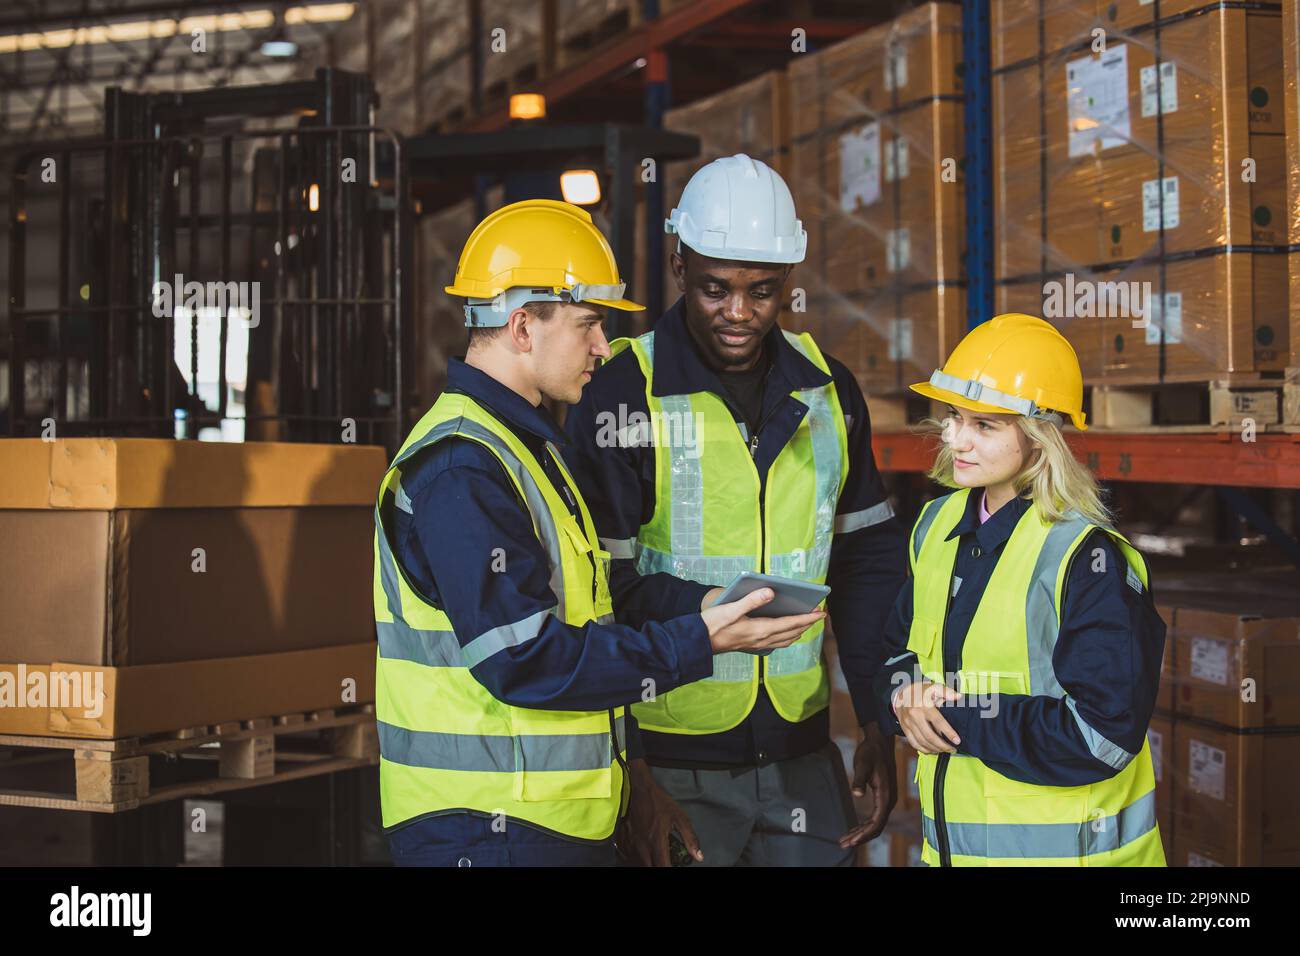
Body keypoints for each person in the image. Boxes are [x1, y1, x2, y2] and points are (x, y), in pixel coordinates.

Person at [374, 198, 825, 867]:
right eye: (587, 323)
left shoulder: (528, 448)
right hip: (487, 829)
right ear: (523, 325)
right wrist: (702, 641)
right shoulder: (461, 468)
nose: (601, 346)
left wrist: (703, 607)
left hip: (546, 821)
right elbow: (527, 661)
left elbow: (596, 612)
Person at [563, 155, 909, 866]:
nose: (740, 313)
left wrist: (877, 718)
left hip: (801, 752)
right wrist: (630, 770)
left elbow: (867, 565)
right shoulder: (624, 395)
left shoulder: (828, 392)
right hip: (670, 758)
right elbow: (595, 595)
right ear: (679, 266)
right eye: (717, 289)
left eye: (763, 291)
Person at [876, 312, 1167, 866]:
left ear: (1040, 438)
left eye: (984, 426)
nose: (956, 438)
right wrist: (901, 699)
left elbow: (1101, 736)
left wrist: (954, 714)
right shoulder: (934, 526)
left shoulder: (1088, 559)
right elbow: (895, 652)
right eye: (955, 418)